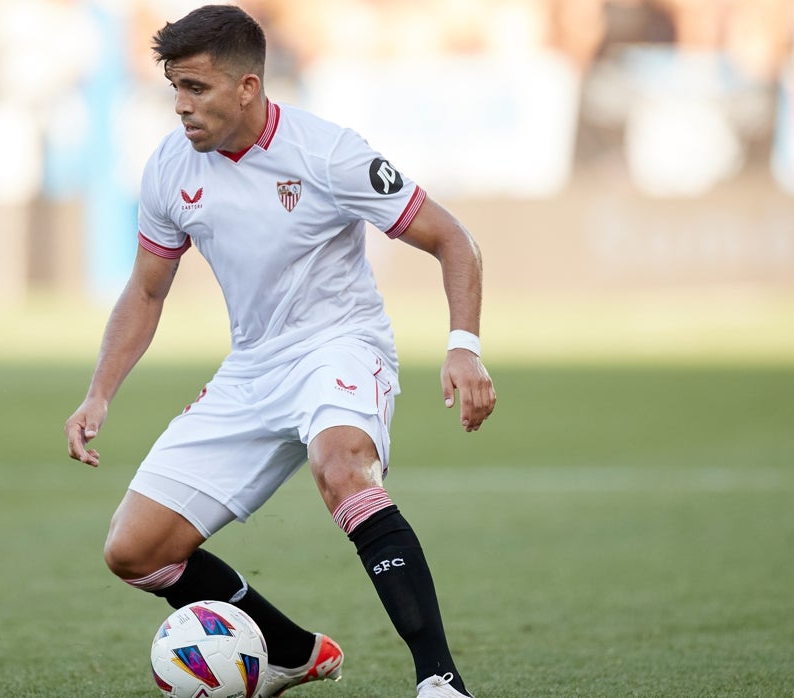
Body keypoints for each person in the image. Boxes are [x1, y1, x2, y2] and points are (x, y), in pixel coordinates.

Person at [64, 5, 496, 697]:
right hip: (253, 366)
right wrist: (100, 392)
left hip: (340, 345)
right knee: (135, 552)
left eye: (196, 88)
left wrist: (464, 348)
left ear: (248, 86)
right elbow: (146, 292)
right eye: (174, 87)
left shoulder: (328, 152)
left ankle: (439, 680)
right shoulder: (170, 168)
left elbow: (452, 238)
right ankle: (290, 652)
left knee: (342, 467)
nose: (181, 106)